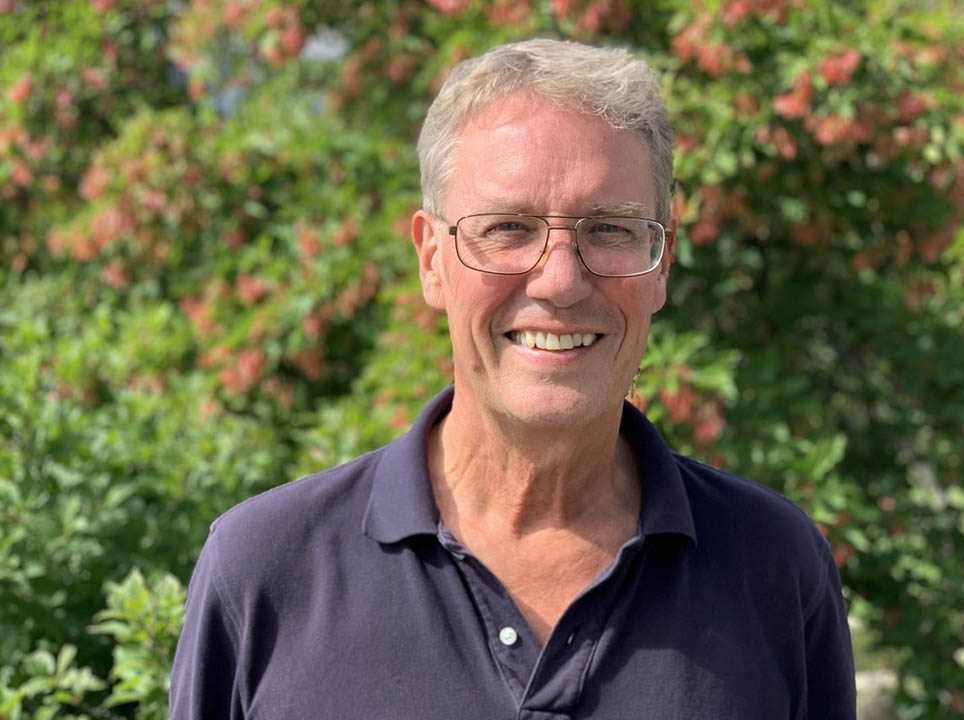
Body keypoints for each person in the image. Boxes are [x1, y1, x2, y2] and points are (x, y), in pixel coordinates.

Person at [170, 38, 856, 719]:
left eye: (610, 229)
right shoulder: (266, 569)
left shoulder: (775, 565)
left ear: (663, 260)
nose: (560, 281)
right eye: (507, 228)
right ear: (431, 260)